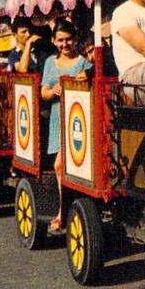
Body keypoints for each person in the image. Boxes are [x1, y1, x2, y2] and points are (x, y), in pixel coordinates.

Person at [40, 19, 92, 232]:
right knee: (61, 165)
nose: (64, 44)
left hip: (79, 120)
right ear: (54, 41)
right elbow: (43, 91)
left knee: (64, 165)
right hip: (57, 119)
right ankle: (65, 209)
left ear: (75, 39)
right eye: (60, 40)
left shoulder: (83, 62)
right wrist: (52, 92)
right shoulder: (50, 63)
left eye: (68, 39)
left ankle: (67, 211)